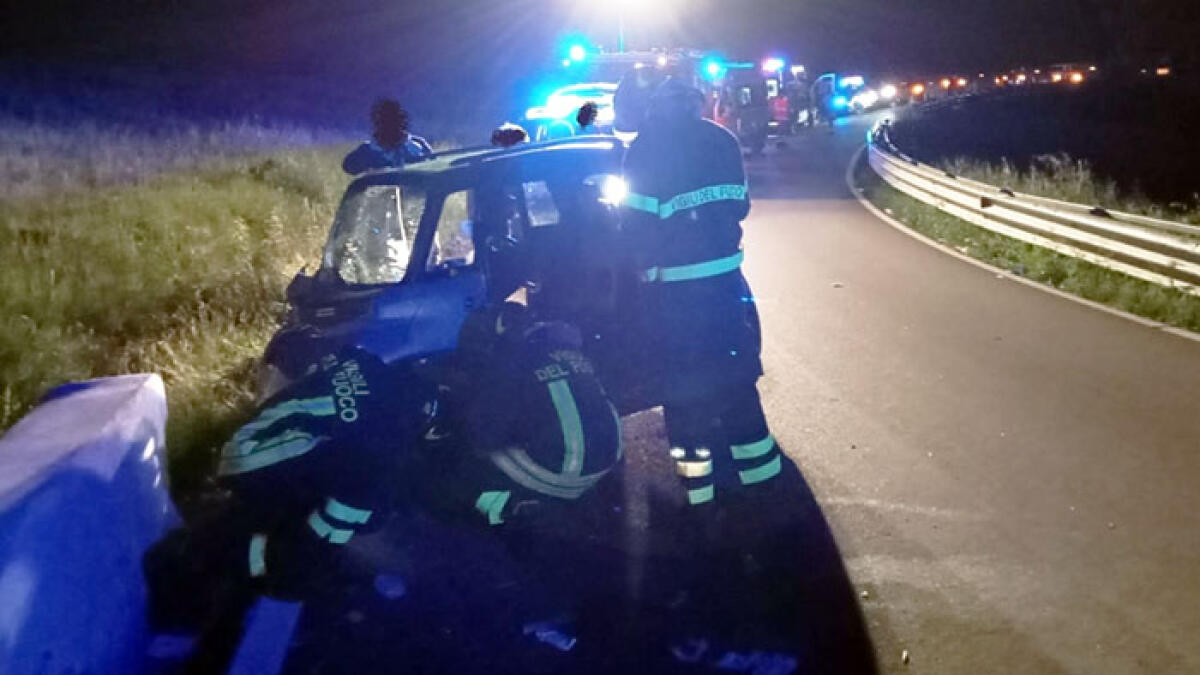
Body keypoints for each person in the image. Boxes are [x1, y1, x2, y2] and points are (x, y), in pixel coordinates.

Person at [143, 304, 623, 663]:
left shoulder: (370, 373)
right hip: (600, 463)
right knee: (337, 524)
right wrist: (304, 559)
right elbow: (352, 503)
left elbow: (478, 431)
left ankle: (496, 515)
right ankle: (211, 559)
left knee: (448, 487)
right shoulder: (561, 354)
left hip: (255, 456)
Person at [619, 78, 795, 512]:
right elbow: (739, 205)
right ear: (697, 104)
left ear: (656, 107)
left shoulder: (645, 147)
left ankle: (700, 496)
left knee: (684, 391)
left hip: (674, 292)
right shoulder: (723, 139)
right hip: (725, 283)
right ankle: (764, 487)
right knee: (736, 381)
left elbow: (635, 222)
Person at [342, 98, 434, 174]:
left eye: (394, 122)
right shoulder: (366, 151)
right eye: (386, 123)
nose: (390, 128)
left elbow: (434, 167)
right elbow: (349, 167)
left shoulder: (419, 144)